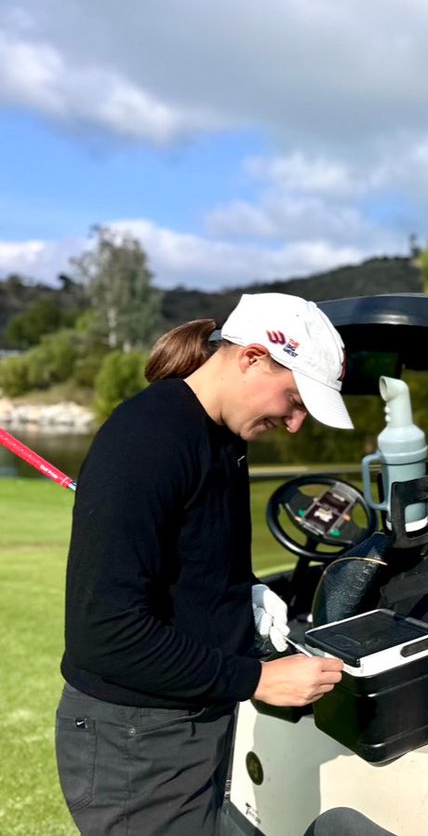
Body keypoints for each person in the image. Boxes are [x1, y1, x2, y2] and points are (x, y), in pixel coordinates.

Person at [56, 292, 353, 835]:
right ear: (252, 357)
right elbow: (107, 633)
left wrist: (243, 592)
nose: (293, 424)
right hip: (136, 741)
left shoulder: (222, 438)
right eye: (294, 398)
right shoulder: (149, 440)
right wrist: (256, 678)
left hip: (189, 720)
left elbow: (194, 559)